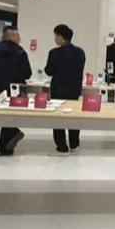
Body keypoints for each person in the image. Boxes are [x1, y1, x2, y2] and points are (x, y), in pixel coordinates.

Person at [0, 25, 32, 156]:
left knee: (3, 116)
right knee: (12, 116)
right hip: (15, 91)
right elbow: (27, 73)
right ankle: (6, 142)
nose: (19, 38)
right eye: (17, 35)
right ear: (10, 36)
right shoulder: (19, 51)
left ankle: (5, 146)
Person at [44, 24, 86, 156]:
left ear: (60, 37)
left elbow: (49, 71)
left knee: (58, 117)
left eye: (55, 36)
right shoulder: (80, 52)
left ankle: (62, 147)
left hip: (59, 89)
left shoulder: (54, 53)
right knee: (73, 115)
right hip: (74, 89)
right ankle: (74, 143)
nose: (55, 39)